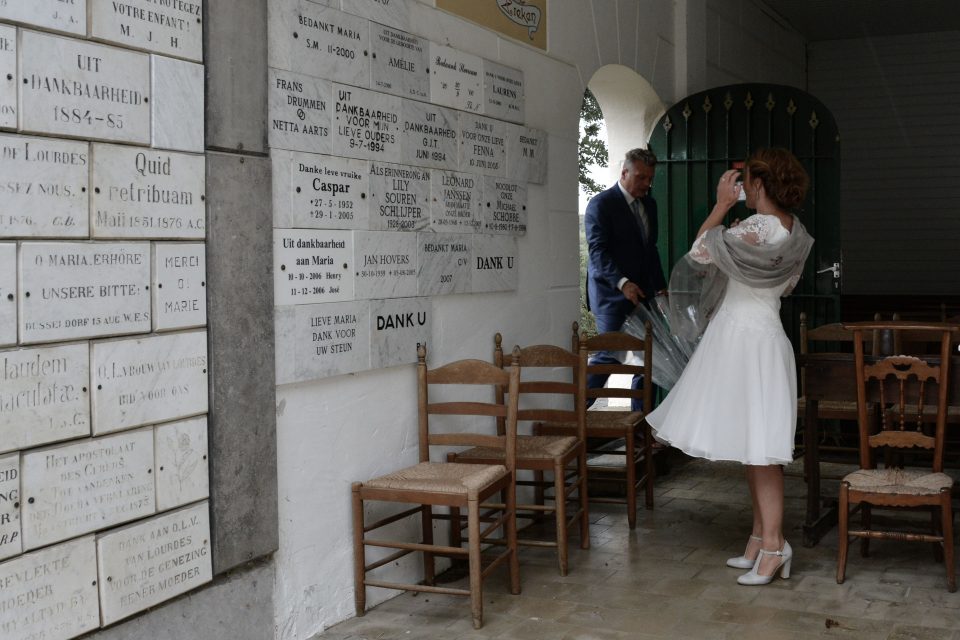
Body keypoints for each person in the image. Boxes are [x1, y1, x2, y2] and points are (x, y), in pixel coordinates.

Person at [645, 148, 814, 586]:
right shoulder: (796, 233)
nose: (746, 192)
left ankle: (775, 547)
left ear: (759, 186)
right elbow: (784, 284)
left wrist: (721, 205)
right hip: (765, 337)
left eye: (749, 185)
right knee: (754, 447)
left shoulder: (758, 226)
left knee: (762, 454)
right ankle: (759, 539)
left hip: (744, 341)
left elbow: (700, 253)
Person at [584, 148, 667, 409]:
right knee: (610, 355)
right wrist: (623, 283)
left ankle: (640, 424)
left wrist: (661, 287)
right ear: (624, 172)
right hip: (611, 295)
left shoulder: (650, 204)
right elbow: (597, 252)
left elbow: (650, 249)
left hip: (645, 296)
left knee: (651, 359)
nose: (646, 184)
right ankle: (575, 419)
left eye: (650, 178)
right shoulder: (601, 204)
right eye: (641, 177)